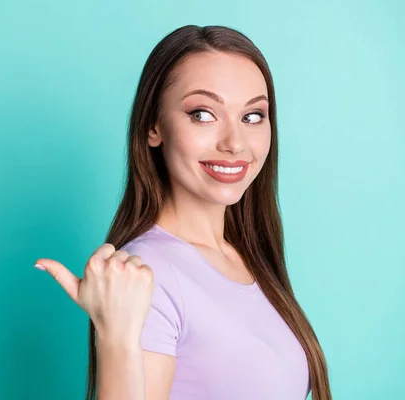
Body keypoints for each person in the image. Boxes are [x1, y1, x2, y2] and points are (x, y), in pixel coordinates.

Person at [34, 25, 331, 400]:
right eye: (203, 114)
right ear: (152, 127)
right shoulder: (148, 273)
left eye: (253, 116)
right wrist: (116, 335)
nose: (235, 143)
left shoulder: (245, 258)